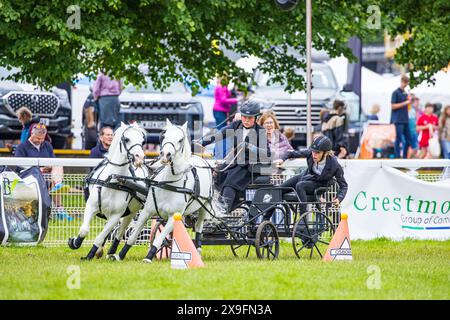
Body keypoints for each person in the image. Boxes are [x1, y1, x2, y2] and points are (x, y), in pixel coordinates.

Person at [199, 101, 270, 212]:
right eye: (244, 117)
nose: (246, 120)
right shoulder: (236, 125)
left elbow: (266, 154)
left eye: (250, 118)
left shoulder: (261, 132)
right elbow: (219, 134)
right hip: (235, 162)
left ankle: (222, 211)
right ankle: (214, 206)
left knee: (230, 182)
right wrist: (202, 142)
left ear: (256, 118)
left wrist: (250, 147)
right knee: (216, 175)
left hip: (250, 166)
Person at [275, 135, 347, 215]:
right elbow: (291, 153)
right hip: (306, 177)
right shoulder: (310, 153)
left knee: (300, 185)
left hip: (320, 184)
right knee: (277, 190)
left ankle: (303, 219)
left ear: (326, 153)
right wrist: (282, 159)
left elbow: (344, 186)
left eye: (317, 152)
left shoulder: (335, 165)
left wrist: (339, 198)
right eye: (313, 151)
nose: (314, 155)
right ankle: (266, 220)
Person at [391, 75, 412, 158]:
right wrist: (406, 103)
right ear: (401, 81)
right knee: (398, 139)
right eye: (404, 82)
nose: (405, 84)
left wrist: (409, 101)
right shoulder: (395, 93)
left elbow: (408, 107)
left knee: (409, 140)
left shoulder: (405, 93)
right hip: (398, 119)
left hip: (405, 119)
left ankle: (404, 156)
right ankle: (397, 157)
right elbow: (393, 106)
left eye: (407, 83)